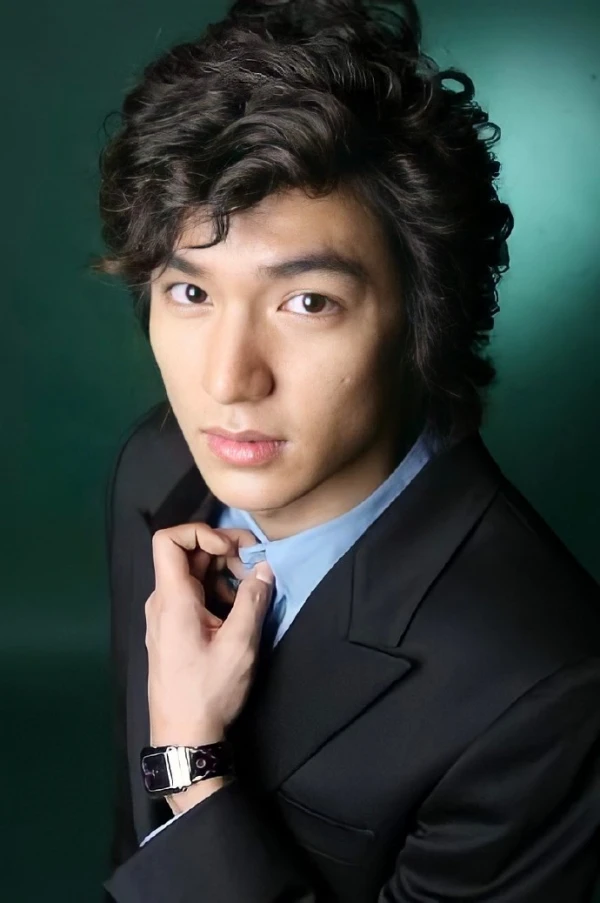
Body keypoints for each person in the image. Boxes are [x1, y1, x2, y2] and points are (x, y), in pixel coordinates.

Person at [91, 1, 600, 900]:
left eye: (308, 302)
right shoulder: (155, 466)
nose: (229, 379)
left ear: (423, 322)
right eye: (190, 292)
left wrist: (189, 761)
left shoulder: (547, 687)